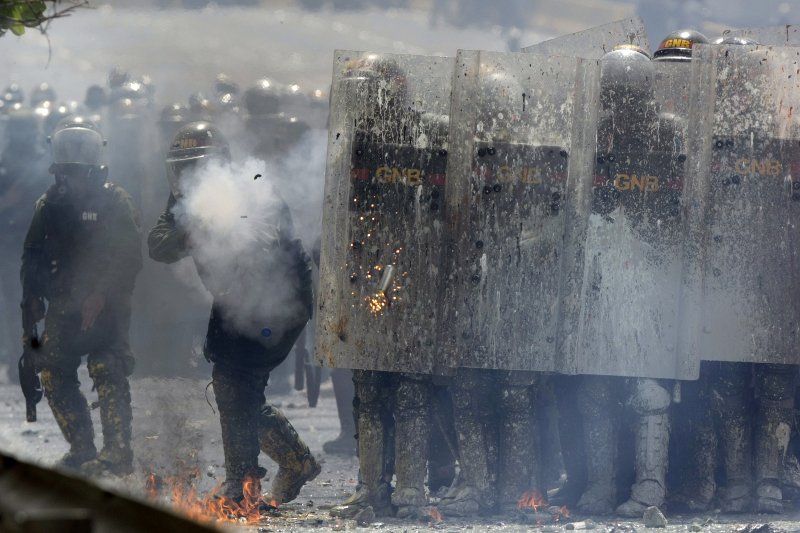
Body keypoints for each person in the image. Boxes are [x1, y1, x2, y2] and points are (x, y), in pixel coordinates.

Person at [147, 120, 320, 503]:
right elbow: (158, 244)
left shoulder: (254, 189)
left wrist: (224, 227)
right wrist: (195, 228)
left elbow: (263, 250)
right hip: (232, 301)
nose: (192, 177)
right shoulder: (186, 201)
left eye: (199, 167)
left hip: (275, 302)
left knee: (234, 383)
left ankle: (243, 484)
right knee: (237, 390)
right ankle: (287, 465)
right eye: (185, 168)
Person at [20, 116, 142, 476]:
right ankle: (82, 449)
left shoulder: (116, 200)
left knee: (107, 367)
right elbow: (32, 254)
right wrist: (33, 298)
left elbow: (129, 256)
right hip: (63, 302)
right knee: (51, 367)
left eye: (78, 172)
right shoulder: (48, 204)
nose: (72, 180)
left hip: (110, 304)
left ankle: (118, 453)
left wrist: (101, 292)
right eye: (66, 172)